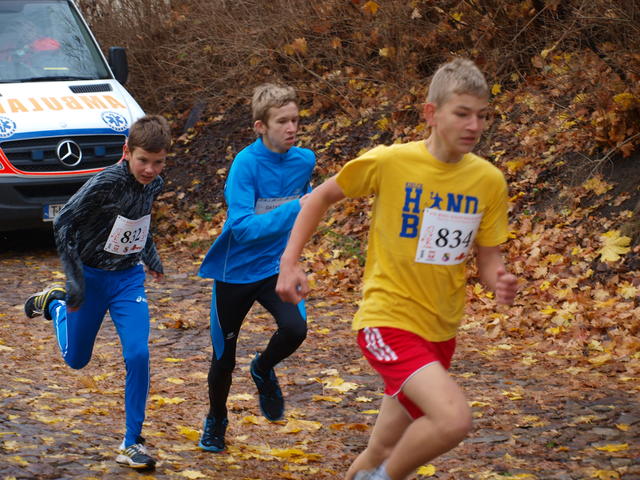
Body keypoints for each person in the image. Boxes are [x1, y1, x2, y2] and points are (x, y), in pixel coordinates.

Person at [276, 58, 519, 480]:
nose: (474, 125)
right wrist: (289, 263)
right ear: (431, 113)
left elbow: (488, 258)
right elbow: (319, 198)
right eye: (462, 113)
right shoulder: (391, 162)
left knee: (384, 448)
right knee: (452, 419)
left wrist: (498, 279)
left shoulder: (489, 181)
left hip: (440, 330)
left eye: (483, 116)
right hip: (387, 319)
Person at [23, 115, 172, 470]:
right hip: (89, 278)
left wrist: (151, 258)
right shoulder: (105, 183)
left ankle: (131, 442)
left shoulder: (154, 184)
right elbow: (63, 223)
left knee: (138, 353)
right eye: (143, 160)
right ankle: (57, 306)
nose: (150, 170)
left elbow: (140, 222)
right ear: (127, 151)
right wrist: (74, 280)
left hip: (127, 280)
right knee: (77, 360)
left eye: (158, 162)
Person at [196, 83, 315, 453]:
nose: (291, 128)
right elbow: (243, 228)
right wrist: (297, 208)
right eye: (282, 121)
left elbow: (303, 216)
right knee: (223, 358)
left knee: (295, 329)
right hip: (234, 272)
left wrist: (293, 253)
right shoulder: (245, 165)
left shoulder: (304, 161)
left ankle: (262, 368)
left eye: (295, 120)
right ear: (260, 126)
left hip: (275, 266)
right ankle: (216, 418)